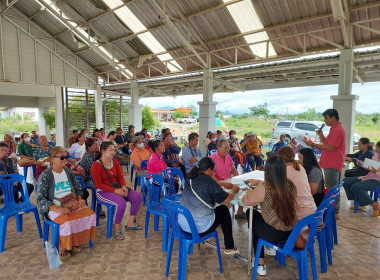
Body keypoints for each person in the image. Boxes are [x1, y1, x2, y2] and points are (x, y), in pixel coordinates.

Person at [242, 155, 298, 276]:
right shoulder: (290, 184)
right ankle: (270, 249)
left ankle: (260, 263)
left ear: (267, 170)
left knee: (251, 216)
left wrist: (249, 192)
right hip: (291, 231)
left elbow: (246, 201)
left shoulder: (265, 187)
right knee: (261, 220)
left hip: (274, 233)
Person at [36, 146, 96, 259]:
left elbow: (78, 188)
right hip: (53, 207)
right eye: (62, 157)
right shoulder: (45, 176)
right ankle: (63, 245)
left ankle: (76, 240)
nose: (65, 160)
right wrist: (57, 208)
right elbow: (40, 199)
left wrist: (79, 199)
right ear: (52, 159)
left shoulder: (68, 171)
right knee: (66, 222)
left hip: (71, 202)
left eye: (66, 157)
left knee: (89, 215)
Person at [179, 157, 240, 255]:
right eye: (213, 171)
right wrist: (234, 191)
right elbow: (227, 199)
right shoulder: (208, 181)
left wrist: (221, 184)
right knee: (223, 210)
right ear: (208, 170)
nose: (214, 173)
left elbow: (204, 185)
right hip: (197, 229)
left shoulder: (190, 176)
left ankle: (229, 246)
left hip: (183, 223)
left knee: (213, 208)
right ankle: (230, 247)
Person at [91, 142, 142, 240]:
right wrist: (115, 191)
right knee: (121, 203)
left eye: (113, 149)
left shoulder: (114, 162)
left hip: (117, 187)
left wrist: (123, 186)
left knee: (137, 196)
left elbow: (120, 176)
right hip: (103, 191)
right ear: (103, 151)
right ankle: (117, 229)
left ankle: (131, 223)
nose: (113, 152)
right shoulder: (96, 165)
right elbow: (98, 184)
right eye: (110, 150)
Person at [303, 109, 346, 219]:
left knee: (332, 188)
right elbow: (328, 143)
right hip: (329, 162)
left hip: (333, 163)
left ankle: (335, 212)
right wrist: (321, 136)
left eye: (326, 118)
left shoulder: (338, 130)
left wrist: (312, 144)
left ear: (333, 118)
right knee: (332, 187)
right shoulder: (334, 129)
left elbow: (331, 147)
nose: (325, 120)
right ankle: (334, 210)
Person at [277, 147, 316, 220]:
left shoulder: (284, 172)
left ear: (279, 158)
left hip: (300, 215)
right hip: (311, 209)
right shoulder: (300, 167)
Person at [342, 141, 380, 217]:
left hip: (377, 180)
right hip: (368, 176)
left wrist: (375, 172)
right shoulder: (375, 157)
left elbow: (375, 171)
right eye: (375, 150)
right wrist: (362, 165)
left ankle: (374, 204)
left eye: (377, 151)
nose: (375, 152)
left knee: (355, 187)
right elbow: (370, 167)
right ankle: (359, 201)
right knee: (345, 181)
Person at [210, 139, 245, 218]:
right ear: (218, 148)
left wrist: (239, 179)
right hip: (218, 184)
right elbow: (211, 177)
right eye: (225, 148)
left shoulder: (228, 156)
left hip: (228, 181)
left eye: (228, 148)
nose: (227, 150)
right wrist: (223, 183)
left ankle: (240, 212)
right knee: (228, 195)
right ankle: (220, 215)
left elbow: (233, 170)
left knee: (242, 188)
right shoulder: (212, 159)